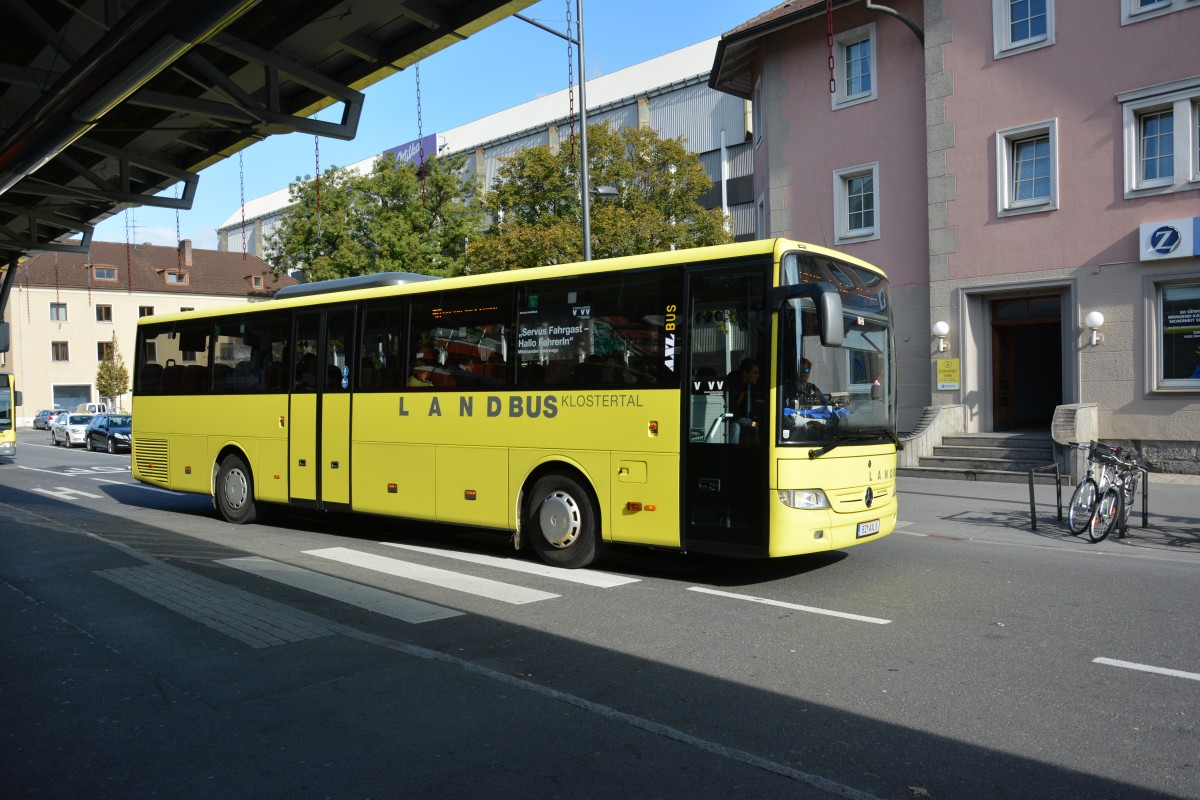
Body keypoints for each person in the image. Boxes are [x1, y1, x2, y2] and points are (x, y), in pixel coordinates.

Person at [724, 357, 762, 443]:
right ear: (745, 374)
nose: (758, 375)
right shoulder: (733, 387)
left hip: (736, 418)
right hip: (727, 420)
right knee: (735, 427)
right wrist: (752, 423)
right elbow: (732, 413)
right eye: (755, 372)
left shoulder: (746, 387)